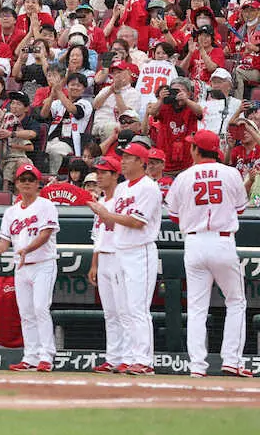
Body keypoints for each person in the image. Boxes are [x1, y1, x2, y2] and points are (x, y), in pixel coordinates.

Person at [164, 130, 252, 378]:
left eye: (192, 146)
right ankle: (232, 361)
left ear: (196, 150)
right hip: (223, 241)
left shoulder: (183, 177)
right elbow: (241, 209)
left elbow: (173, 216)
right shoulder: (231, 173)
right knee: (236, 301)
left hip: (194, 242)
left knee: (196, 308)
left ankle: (197, 366)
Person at [87, 142, 161, 376]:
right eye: (123, 157)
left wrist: (106, 214)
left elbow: (137, 222)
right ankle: (128, 358)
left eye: (129, 157)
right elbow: (112, 223)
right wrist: (103, 213)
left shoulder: (148, 187)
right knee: (123, 309)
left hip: (140, 250)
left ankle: (144, 360)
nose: (124, 161)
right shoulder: (121, 189)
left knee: (138, 308)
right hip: (120, 250)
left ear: (141, 162)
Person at [0, 163, 59, 373]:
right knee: (25, 312)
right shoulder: (11, 211)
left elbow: (45, 234)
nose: (26, 183)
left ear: (37, 183)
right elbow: (5, 241)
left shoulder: (46, 205)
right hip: (21, 266)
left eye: (30, 179)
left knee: (40, 309)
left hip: (43, 263)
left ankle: (46, 356)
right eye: (22, 179)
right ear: (16, 183)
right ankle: (30, 356)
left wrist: (27, 249)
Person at [88, 156, 129, 374]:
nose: (99, 176)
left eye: (104, 172)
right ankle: (113, 358)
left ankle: (129, 357)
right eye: (98, 172)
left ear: (115, 175)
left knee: (124, 311)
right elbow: (98, 236)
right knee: (110, 313)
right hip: (103, 257)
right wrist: (94, 264)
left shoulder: (122, 199)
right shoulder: (102, 202)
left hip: (119, 256)